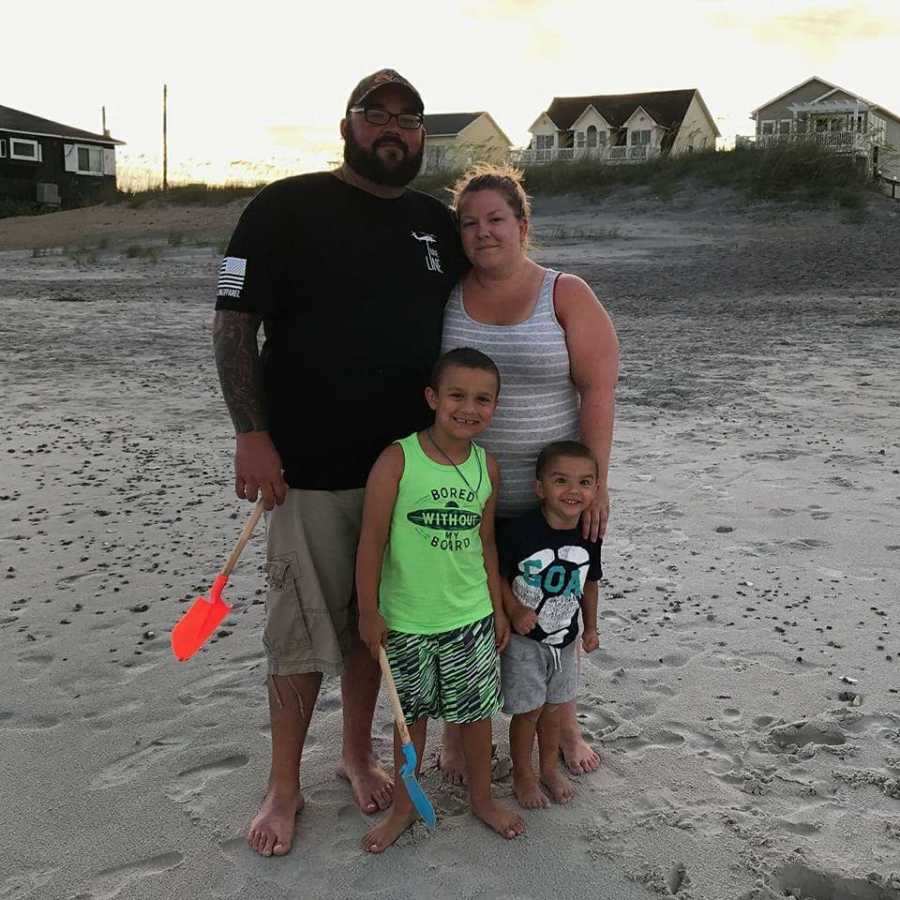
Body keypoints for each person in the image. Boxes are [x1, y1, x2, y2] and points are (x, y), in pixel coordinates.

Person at [212, 69, 466, 857]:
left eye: (409, 119)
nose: (394, 129)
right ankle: (283, 786)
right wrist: (250, 432)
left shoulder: (437, 223)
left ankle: (356, 755)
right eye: (377, 115)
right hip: (311, 471)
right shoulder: (282, 207)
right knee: (297, 638)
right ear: (348, 125)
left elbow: (490, 305)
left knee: (371, 634)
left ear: (423, 136)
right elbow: (232, 320)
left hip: (409, 473)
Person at [439, 164, 619, 780]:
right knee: (472, 612)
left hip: (557, 497)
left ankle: (563, 723)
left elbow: (598, 389)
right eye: (469, 223)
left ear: (522, 224)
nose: (483, 232)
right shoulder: (448, 295)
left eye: (495, 219)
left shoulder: (565, 292)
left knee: (558, 608)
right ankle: (462, 729)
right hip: (468, 491)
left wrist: (595, 484)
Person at [356, 347, 524, 852]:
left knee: (474, 717)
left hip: (469, 616)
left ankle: (481, 798)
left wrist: (497, 607)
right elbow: (371, 539)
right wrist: (368, 610)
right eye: (456, 395)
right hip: (406, 621)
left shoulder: (486, 467)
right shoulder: (397, 459)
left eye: (483, 399)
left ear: (495, 406)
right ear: (432, 398)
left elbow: (486, 542)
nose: (468, 407)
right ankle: (405, 808)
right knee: (410, 723)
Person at [499, 441, 602, 809]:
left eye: (585, 483)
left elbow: (590, 582)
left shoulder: (589, 534)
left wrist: (591, 627)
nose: (573, 491)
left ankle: (547, 769)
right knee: (528, 712)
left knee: (555, 708)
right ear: (540, 487)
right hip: (526, 642)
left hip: (565, 640)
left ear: (595, 488)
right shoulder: (520, 531)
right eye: (561, 481)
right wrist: (513, 610)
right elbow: (496, 574)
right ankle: (522, 775)